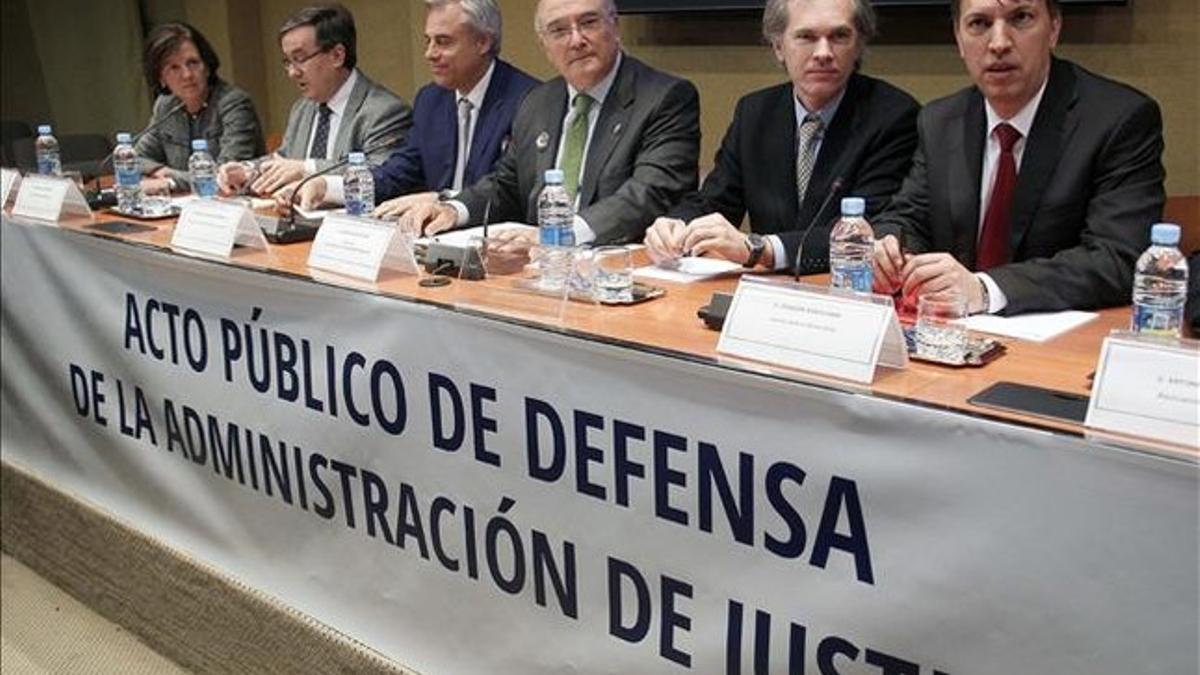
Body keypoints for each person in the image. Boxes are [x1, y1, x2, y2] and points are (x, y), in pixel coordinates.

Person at [871, 0, 1165, 315]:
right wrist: (889, 248)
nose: (999, 43)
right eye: (980, 24)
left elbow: (1117, 258)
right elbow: (908, 217)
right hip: (955, 335)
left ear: (1053, 28)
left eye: (1021, 18)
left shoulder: (1118, 119)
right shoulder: (940, 121)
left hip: (1057, 343)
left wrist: (985, 289)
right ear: (959, 38)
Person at [645, 0, 918, 274]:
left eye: (839, 36)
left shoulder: (893, 116)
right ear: (778, 47)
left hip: (840, 291)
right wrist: (674, 225)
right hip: (768, 294)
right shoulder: (754, 113)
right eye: (806, 37)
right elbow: (714, 200)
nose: (823, 52)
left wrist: (760, 249)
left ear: (858, 45)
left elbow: (868, 231)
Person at [407, 0, 701, 246]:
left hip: (620, 270)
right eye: (559, 30)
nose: (576, 40)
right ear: (544, 45)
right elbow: (506, 185)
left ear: (615, 27)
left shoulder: (665, 98)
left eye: (589, 23)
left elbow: (647, 195)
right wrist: (453, 210)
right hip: (541, 270)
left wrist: (558, 236)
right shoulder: (537, 102)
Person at [289, 0, 538, 217]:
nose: (430, 54)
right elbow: (400, 172)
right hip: (432, 237)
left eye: (443, 42)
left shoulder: (528, 101)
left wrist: (442, 200)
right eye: (427, 41)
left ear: (483, 42)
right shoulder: (431, 100)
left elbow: (508, 191)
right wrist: (327, 186)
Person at [217, 3, 412, 198]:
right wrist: (247, 170)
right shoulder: (303, 108)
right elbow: (284, 160)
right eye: (287, 62)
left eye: (300, 58)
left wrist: (307, 169)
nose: (292, 73)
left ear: (337, 55)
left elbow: (378, 174)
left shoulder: (385, 111)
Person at [136, 23, 265, 194]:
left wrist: (169, 180)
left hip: (234, 205)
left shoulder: (234, 103)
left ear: (207, 67)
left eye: (193, 63)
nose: (187, 75)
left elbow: (227, 176)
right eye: (174, 67)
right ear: (161, 77)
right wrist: (160, 171)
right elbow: (136, 159)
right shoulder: (166, 105)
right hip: (185, 208)